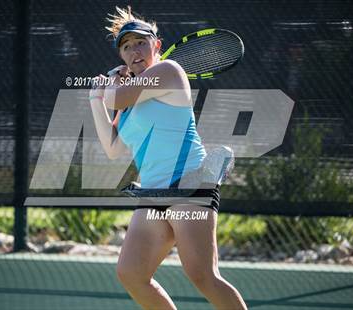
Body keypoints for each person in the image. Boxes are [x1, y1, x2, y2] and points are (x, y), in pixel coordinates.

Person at [89, 6, 248, 310]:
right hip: (153, 193)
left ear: (156, 46)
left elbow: (116, 96)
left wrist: (109, 88)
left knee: (202, 275)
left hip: (190, 183)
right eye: (126, 46)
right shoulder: (128, 101)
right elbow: (113, 149)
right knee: (131, 273)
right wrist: (96, 100)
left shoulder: (169, 71)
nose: (134, 50)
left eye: (140, 43)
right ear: (121, 56)